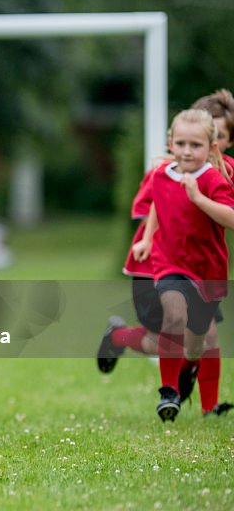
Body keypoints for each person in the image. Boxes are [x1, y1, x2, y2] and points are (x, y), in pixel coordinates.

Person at [99, 90, 234, 416]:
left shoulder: (221, 174)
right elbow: (157, 204)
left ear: (217, 142)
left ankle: (198, 392)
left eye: (200, 141)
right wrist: (146, 238)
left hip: (205, 269)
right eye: (182, 143)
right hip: (159, 265)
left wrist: (200, 199)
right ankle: (171, 392)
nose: (188, 151)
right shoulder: (163, 171)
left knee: (199, 340)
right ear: (172, 142)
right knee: (171, 324)